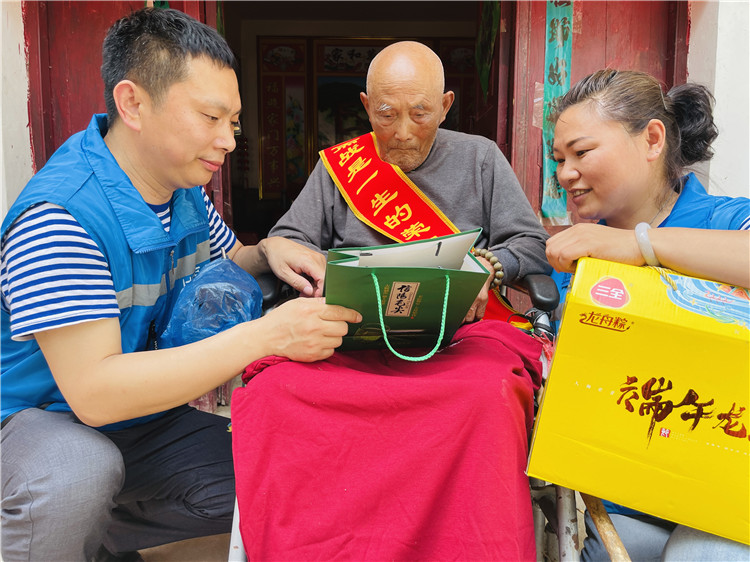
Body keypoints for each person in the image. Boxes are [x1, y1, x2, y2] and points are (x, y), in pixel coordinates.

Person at [0, 8, 361, 562]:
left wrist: (270, 249)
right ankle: (39, 528)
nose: (229, 140)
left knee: (275, 472)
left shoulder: (181, 190)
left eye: (232, 121)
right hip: (33, 421)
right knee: (76, 472)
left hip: (134, 419)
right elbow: (95, 393)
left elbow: (232, 258)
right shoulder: (63, 217)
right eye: (210, 117)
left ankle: (86, 536)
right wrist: (269, 336)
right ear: (132, 104)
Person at [230, 41, 551, 561]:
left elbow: (530, 244)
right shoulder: (341, 169)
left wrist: (488, 267)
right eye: (386, 114)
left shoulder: (480, 158)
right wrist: (297, 258)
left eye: (420, 113)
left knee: (490, 396)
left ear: (445, 106)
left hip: (455, 339)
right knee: (273, 394)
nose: (402, 131)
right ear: (365, 106)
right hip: (349, 338)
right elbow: (291, 239)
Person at [545, 69, 750, 561]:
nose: (566, 173)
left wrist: (641, 245)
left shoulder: (723, 220)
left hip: (727, 493)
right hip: (625, 499)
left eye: (581, 152)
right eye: (559, 159)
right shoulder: (574, 258)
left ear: (652, 139)